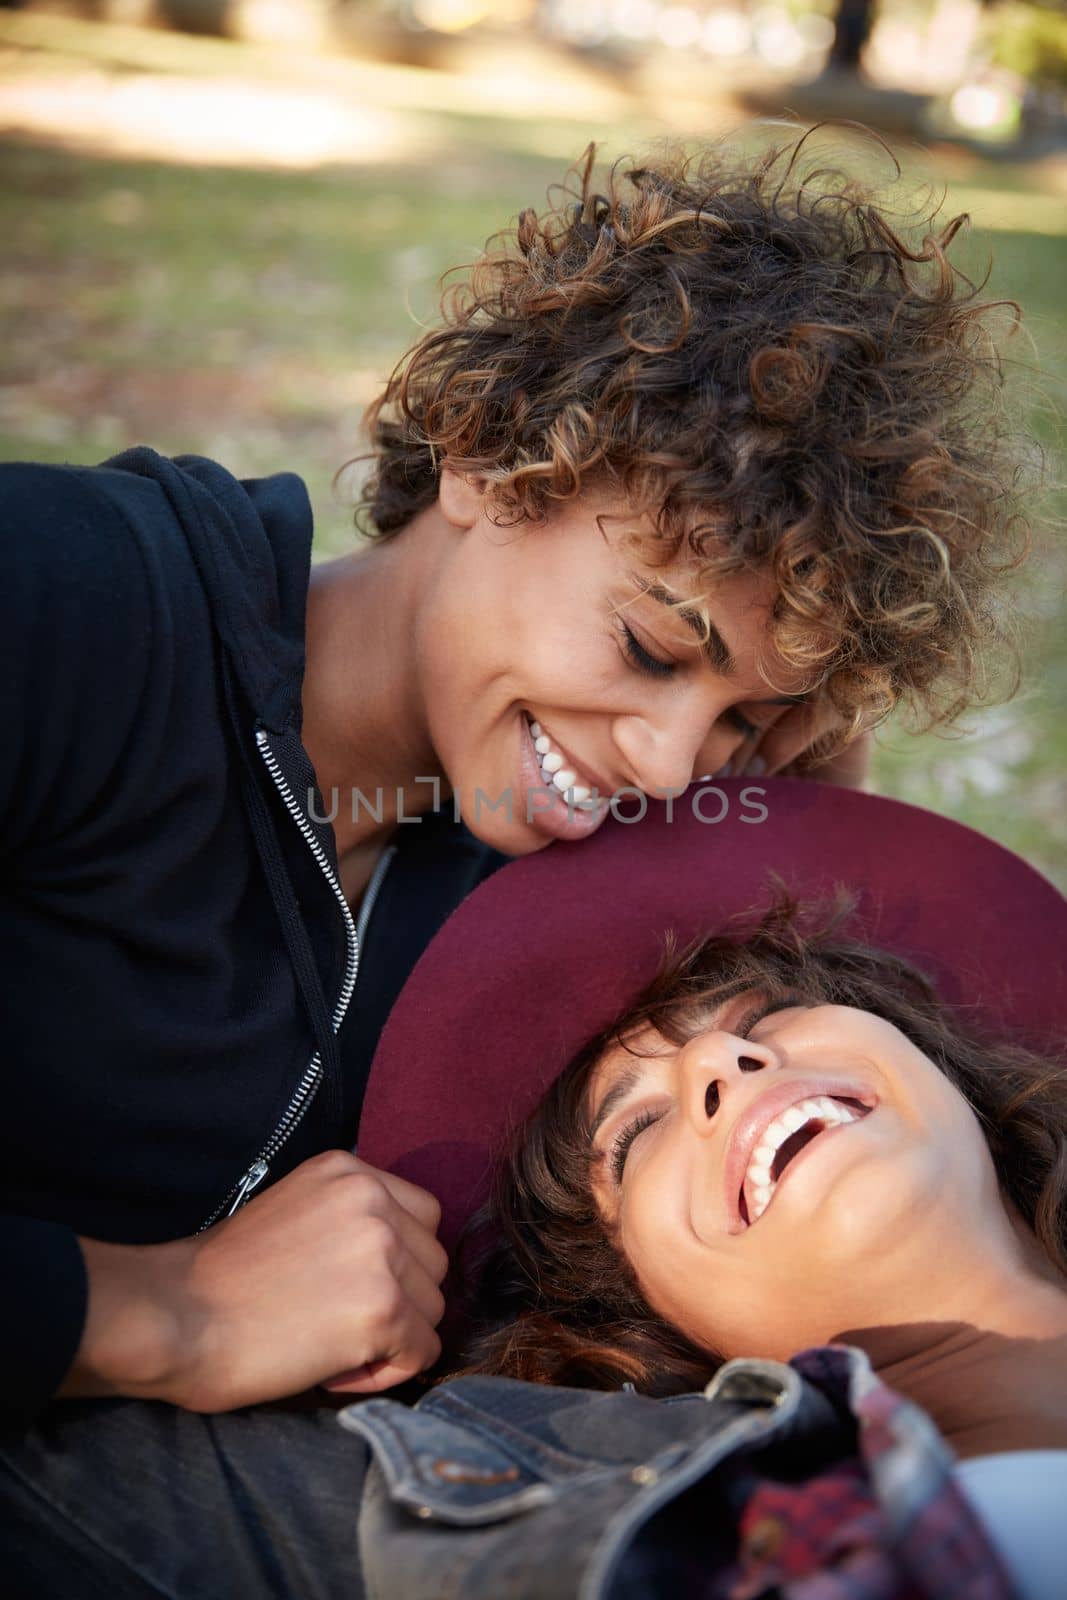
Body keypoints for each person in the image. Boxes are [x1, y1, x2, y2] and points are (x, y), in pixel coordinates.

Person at [0, 132, 1032, 1433]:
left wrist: (791, 800)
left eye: (740, 721)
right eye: (651, 644)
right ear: (489, 457)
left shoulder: (526, 881)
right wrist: (159, 1315)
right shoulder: (81, 600)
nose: (664, 766)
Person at [3, 787, 1063, 1598]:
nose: (720, 1071)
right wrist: (169, 1312)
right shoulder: (513, 1523)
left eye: (763, 1022)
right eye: (636, 1131)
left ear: (945, 1068)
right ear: (637, 1339)